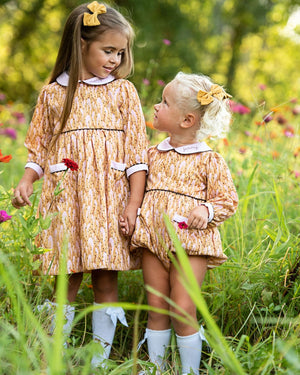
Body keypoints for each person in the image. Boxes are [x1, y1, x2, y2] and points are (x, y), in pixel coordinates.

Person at [12, 1, 148, 368]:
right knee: (65, 278)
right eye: (108, 50)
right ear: (80, 44)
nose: (115, 60)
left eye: (120, 52)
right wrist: (27, 180)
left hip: (109, 201)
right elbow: (39, 147)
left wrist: (132, 205)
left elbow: (138, 155)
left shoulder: (123, 93)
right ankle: (50, 354)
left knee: (105, 280)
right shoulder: (53, 94)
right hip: (67, 201)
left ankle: (100, 360)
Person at [129, 72, 238, 375]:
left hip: (189, 243)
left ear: (187, 120)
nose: (156, 106)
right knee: (156, 306)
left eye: (164, 102)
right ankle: (155, 367)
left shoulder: (209, 160)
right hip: (153, 240)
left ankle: (189, 370)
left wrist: (206, 209)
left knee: (182, 306)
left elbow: (227, 200)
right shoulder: (152, 154)